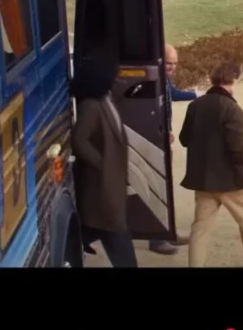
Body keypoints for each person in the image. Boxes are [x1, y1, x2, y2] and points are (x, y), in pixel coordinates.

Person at [180, 61, 243, 268]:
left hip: (203, 179)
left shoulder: (195, 106)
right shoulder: (232, 109)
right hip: (231, 180)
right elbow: (238, 149)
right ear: (232, 80)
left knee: (200, 228)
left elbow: (184, 139)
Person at [70, 53, 136, 267]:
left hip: (109, 189)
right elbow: (79, 140)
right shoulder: (91, 106)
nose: (116, 78)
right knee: (118, 238)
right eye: (113, 74)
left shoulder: (106, 99)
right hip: (103, 189)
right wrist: (103, 164)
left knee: (97, 229)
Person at [146, 43, 199, 255]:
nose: (172, 68)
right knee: (158, 188)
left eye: (175, 64)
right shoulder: (154, 80)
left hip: (162, 137)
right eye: (169, 63)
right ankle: (156, 238)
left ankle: (167, 233)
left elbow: (173, 95)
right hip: (153, 140)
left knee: (164, 188)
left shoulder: (163, 78)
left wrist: (197, 94)